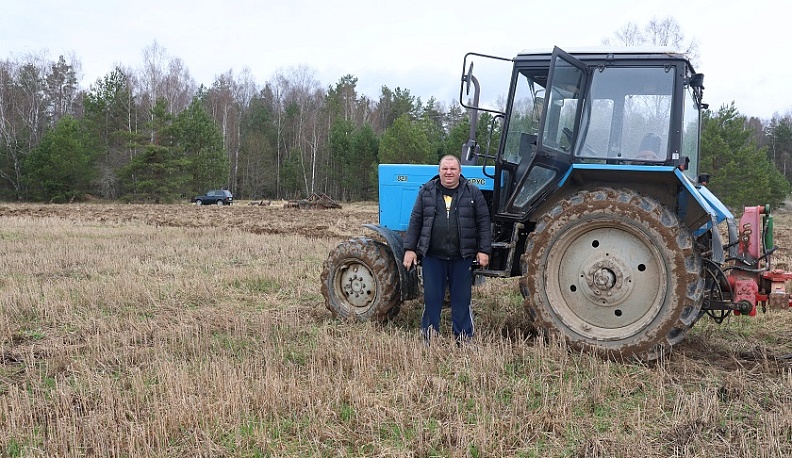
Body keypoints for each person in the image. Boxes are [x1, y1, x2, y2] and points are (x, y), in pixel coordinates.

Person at [403, 155, 492, 345]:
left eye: (452, 169)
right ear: (439, 171)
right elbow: (416, 221)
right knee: (432, 298)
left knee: (462, 300)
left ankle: (463, 338)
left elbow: (484, 222)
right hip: (433, 256)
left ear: (460, 171)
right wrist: (410, 248)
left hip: (462, 257)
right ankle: (429, 338)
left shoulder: (473, 193)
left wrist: (484, 250)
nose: (449, 172)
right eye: (445, 169)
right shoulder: (426, 192)